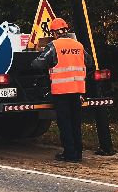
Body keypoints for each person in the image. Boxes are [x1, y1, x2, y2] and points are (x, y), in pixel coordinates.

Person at [33, 17, 87, 161]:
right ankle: (78, 153)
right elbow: (89, 62)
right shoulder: (78, 45)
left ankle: (69, 154)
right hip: (77, 90)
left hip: (61, 91)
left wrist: (35, 58)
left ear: (54, 33)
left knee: (65, 123)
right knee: (75, 122)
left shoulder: (54, 46)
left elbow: (38, 64)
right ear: (66, 30)